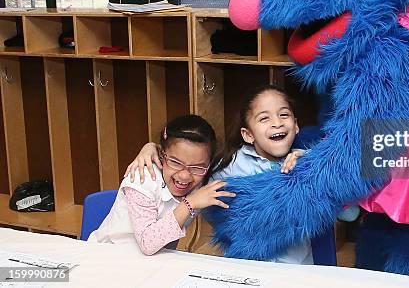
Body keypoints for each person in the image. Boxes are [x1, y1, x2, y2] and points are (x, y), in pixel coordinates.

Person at [125, 86, 311, 263]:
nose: (277, 123)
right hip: (247, 267)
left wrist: (308, 161)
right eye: (264, 118)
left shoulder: (310, 163)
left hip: (295, 269)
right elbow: (197, 180)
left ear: (296, 125)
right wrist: (150, 148)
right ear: (247, 134)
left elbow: (335, 181)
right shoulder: (229, 165)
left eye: (284, 115)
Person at [89, 115, 235, 255]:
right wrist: (189, 204)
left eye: (197, 167)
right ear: (161, 156)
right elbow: (148, 243)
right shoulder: (143, 178)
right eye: (175, 162)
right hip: (108, 256)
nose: (184, 175)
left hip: (155, 262)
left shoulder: (203, 180)